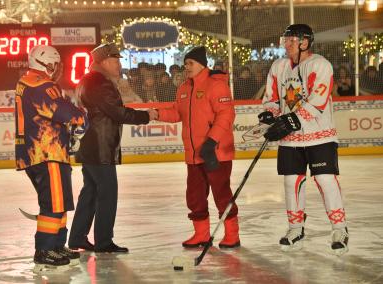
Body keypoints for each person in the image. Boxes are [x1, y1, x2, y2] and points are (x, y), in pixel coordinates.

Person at [259, 24, 349, 255]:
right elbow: (271, 98)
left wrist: (291, 120)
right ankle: (295, 228)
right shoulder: (278, 66)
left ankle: (339, 228)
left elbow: (318, 100)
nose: (286, 44)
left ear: (305, 42)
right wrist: (270, 115)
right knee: (291, 182)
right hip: (291, 140)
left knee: (326, 180)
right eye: (284, 40)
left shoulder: (320, 65)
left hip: (320, 136)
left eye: (291, 40)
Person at [150, 46, 240, 249]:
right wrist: (156, 114)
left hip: (215, 153)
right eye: (185, 64)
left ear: (201, 64)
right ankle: (201, 234)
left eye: (190, 63)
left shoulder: (216, 85)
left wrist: (211, 141)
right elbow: (176, 113)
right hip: (194, 154)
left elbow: (226, 115)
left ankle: (232, 234)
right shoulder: (184, 88)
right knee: (195, 196)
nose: (186, 68)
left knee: (221, 193)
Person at [68, 43, 154, 253]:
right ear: (104, 61)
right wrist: (147, 115)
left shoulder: (87, 80)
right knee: (107, 193)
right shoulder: (100, 82)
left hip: (90, 146)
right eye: (116, 61)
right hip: (100, 147)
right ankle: (104, 241)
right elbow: (118, 112)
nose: (119, 65)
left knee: (90, 192)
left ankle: (78, 237)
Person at [15, 45, 87, 271]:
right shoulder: (39, 84)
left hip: (46, 152)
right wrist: (81, 117)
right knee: (53, 203)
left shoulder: (31, 81)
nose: (57, 69)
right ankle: (45, 249)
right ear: (48, 64)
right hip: (46, 152)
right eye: (55, 64)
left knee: (60, 202)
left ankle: (57, 243)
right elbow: (62, 111)